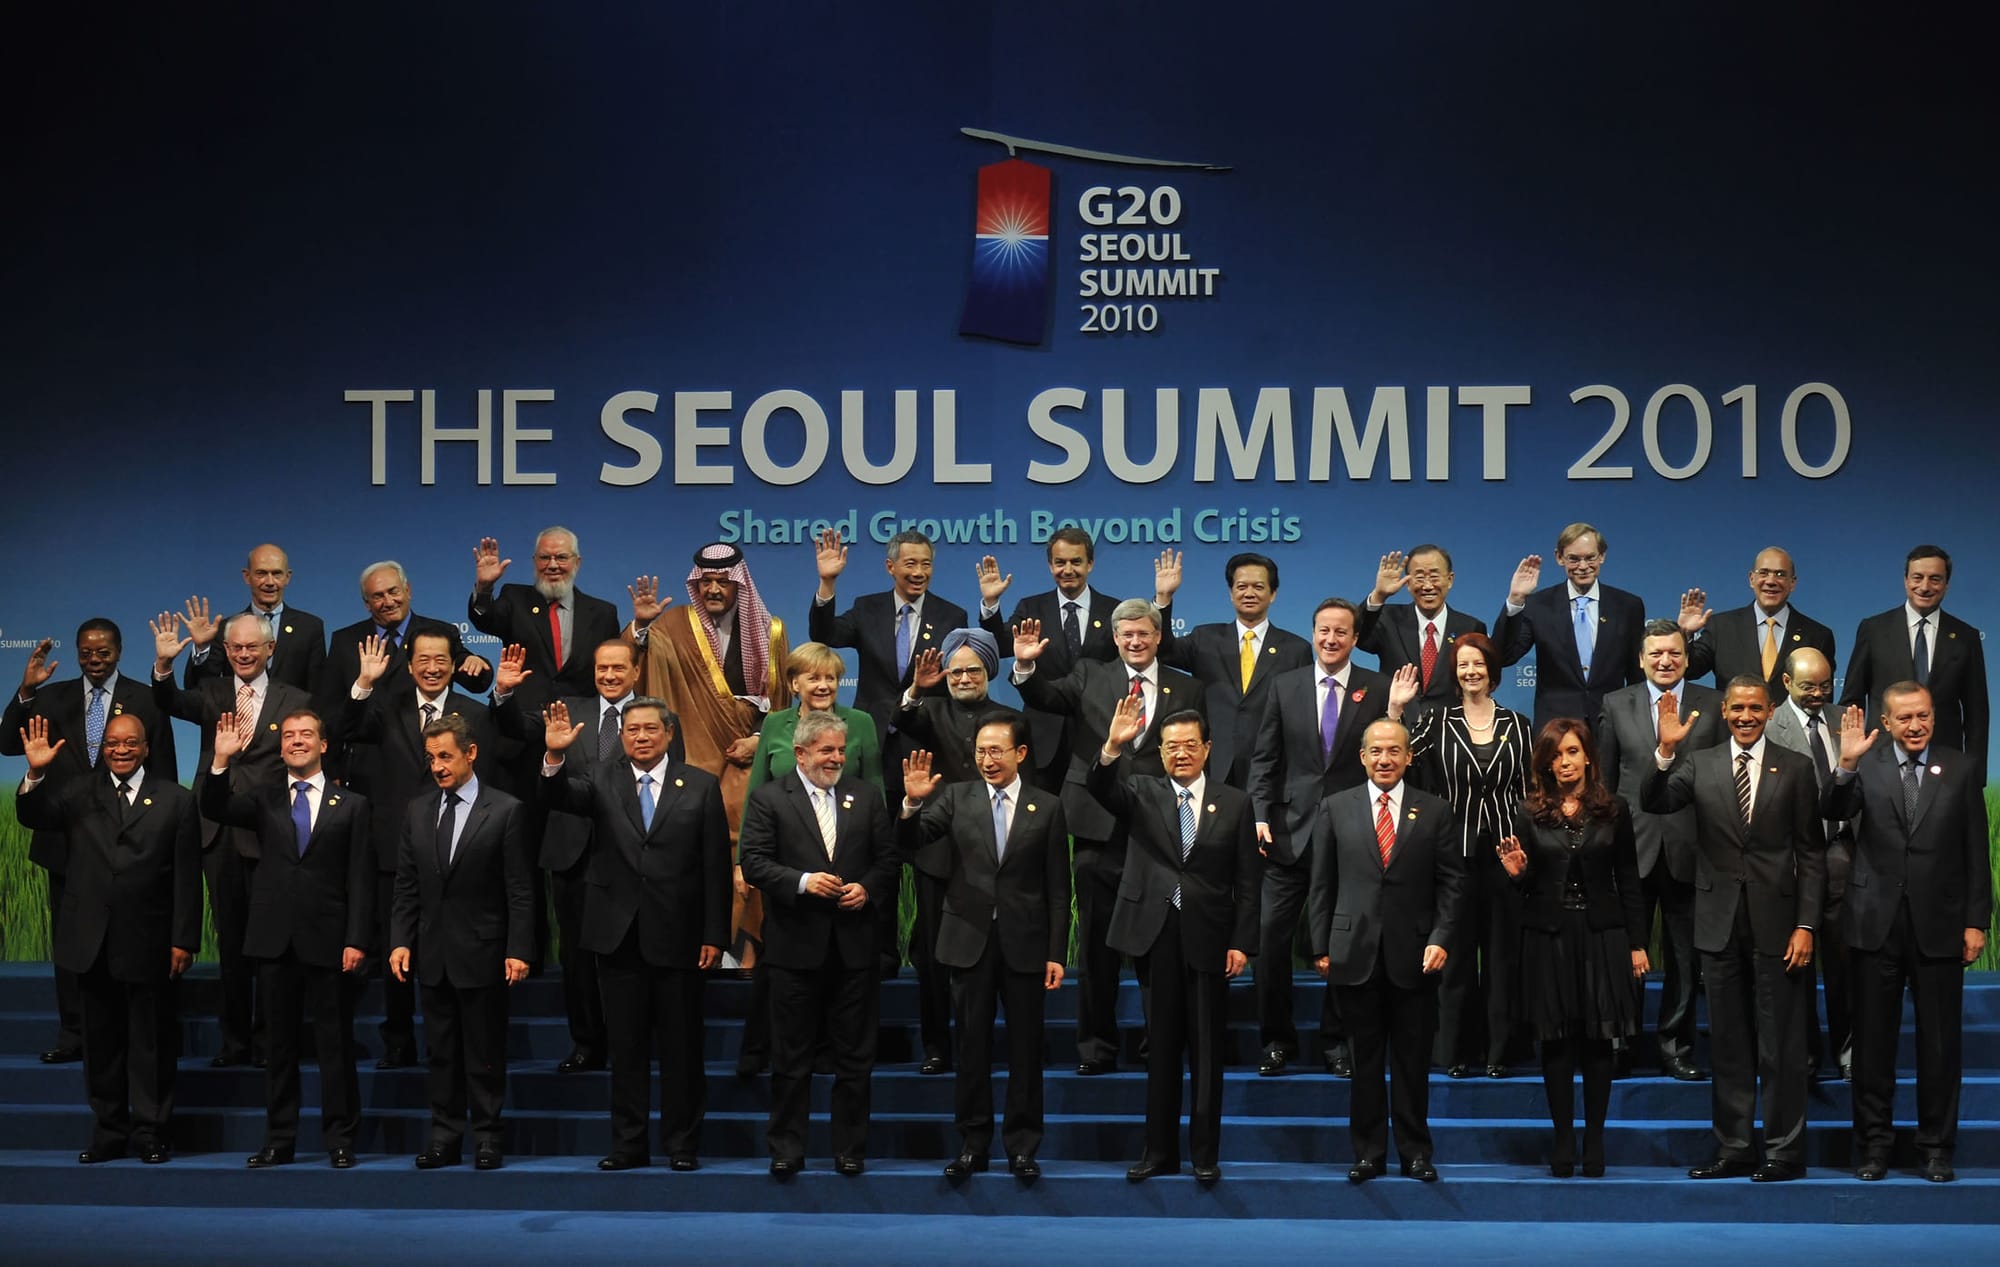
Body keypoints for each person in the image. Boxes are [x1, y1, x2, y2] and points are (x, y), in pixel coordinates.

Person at [1011, 598, 1206, 1074]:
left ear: (1159, 636)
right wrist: (1023, 665)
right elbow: (1045, 699)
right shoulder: (1088, 674)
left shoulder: (1188, 686)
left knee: (1157, 949)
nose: (1135, 642)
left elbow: (1196, 754)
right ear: (1115, 638)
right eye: (1126, 635)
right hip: (1097, 825)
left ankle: (1157, 1047)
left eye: (1144, 634)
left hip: (1158, 832)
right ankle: (1096, 1048)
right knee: (1096, 948)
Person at [1644, 678, 1825, 1182]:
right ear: (1723, 711)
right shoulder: (1698, 764)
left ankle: (1785, 1152)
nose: (1746, 716)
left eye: (1755, 708)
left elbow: (1811, 855)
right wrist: (1665, 749)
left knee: (1781, 1044)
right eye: (1737, 708)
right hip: (1718, 923)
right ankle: (1735, 1148)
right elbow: (1654, 800)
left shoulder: (1796, 767)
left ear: (1770, 711)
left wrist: (1806, 924)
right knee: (1727, 1042)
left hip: (1779, 925)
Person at [540, 696, 731, 1172]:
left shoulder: (701, 786)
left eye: (649, 729)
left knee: (682, 1050)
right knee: (625, 1050)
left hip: (681, 937)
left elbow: (716, 868)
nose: (640, 737)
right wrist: (555, 757)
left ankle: (682, 1145)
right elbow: (559, 798)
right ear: (621, 736)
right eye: (632, 730)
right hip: (617, 936)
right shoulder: (601, 779)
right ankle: (629, 1145)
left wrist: (714, 934)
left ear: (669, 734)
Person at [15, 714, 199, 1165]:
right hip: (90, 939)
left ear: (145, 747)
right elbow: (32, 814)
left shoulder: (176, 800)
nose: (120, 749)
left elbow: (188, 878)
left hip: (150, 939)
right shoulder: (78, 792)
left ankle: (151, 1131)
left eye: (130, 743)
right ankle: (110, 1132)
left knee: (151, 1043)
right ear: (103, 747)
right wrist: (36, 773)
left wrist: (183, 939)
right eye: (113, 743)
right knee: (101, 1044)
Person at [1826, 685, 1992, 1183]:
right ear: (1888, 721)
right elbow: (1831, 808)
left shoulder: (1959, 768)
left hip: (1940, 925)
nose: (1915, 725)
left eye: (1923, 716)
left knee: (1940, 1046)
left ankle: (1937, 1148)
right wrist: (1846, 764)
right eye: (1905, 718)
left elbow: (1975, 849)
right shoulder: (1867, 762)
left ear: (1934, 717)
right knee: (1873, 1046)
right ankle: (1874, 1148)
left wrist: (1976, 920)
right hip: (1874, 923)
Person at [900, 713, 1071, 1183]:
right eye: (980, 751)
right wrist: (912, 806)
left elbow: (1059, 888)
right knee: (970, 1048)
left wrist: (1056, 952)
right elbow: (910, 842)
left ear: (1020, 753)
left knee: (1025, 1051)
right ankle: (973, 1145)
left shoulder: (1048, 806)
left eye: (996, 751)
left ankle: (1022, 1147)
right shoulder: (955, 797)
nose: (986, 759)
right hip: (968, 941)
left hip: (1026, 945)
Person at [1090, 704, 1256, 1185]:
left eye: (1189, 745)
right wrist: (1112, 747)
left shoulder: (1236, 802)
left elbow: (1248, 881)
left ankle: (1204, 1153)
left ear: (1207, 748)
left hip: (1209, 935)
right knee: (1159, 1049)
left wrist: (1242, 942)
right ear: (1159, 752)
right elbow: (1100, 788)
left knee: (1206, 1052)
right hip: (1154, 932)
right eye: (1170, 746)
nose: (1180, 754)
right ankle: (1158, 1152)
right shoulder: (1141, 790)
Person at [201, 707, 373, 1170]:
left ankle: (340, 1139)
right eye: (289, 735)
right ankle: (280, 1140)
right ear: (281, 748)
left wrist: (357, 939)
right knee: (278, 1048)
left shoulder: (352, 805)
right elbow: (214, 807)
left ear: (324, 745)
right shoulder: (263, 799)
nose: (297, 741)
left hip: (331, 941)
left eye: (306, 734)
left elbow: (361, 879)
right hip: (274, 941)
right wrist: (220, 763)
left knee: (335, 1045)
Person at [1, 620, 177, 1064]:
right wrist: (24, 692)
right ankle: (75, 1033)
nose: (94, 661)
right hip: (66, 845)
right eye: (86, 653)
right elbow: (6, 743)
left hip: (131, 843)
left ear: (119, 651)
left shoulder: (145, 698)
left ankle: (130, 1032)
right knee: (72, 945)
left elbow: (165, 769)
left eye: (103, 653)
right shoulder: (51, 696)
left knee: (131, 942)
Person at [738, 710, 900, 1177]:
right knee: (791, 1057)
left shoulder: (866, 797)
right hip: (794, 951)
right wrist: (804, 881)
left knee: (855, 1058)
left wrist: (866, 888)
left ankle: (850, 1149)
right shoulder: (771, 799)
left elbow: (887, 862)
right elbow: (754, 862)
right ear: (801, 753)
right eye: (826, 750)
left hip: (855, 951)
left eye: (840, 750)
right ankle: (787, 1148)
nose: (836, 758)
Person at [153, 608, 313, 1070]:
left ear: (271, 650)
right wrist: (164, 666)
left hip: (270, 830)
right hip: (217, 831)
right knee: (231, 943)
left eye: (251, 647)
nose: (243, 654)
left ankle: (272, 1041)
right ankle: (236, 1041)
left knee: (272, 942)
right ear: (227, 651)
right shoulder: (213, 691)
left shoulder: (295, 698)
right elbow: (170, 703)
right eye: (235, 647)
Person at [1308, 718, 1465, 1184]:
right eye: (1376, 751)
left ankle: (1415, 1152)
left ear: (1408, 756)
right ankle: (1368, 1153)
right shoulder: (1336, 807)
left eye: (1394, 751)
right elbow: (1321, 884)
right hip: (1353, 954)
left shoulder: (1434, 811)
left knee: (1413, 1062)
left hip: (1416, 956)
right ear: (1362, 756)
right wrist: (1321, 945)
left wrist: (1440, 938)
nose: (1384, 759)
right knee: (1365, 1063)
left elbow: (1453, 885)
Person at [343, 629, 508, 1070]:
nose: (432, 667)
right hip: (395, 851)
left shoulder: (476, 713)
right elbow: (347, 728)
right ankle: (398, 1040)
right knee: (397, 949)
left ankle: (457, 1043)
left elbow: (489, 775)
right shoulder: (384, 705)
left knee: (453, 951)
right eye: (423, 660)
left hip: (460, 857)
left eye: (441, 659)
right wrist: (363, 684)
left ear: (454, 664)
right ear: (410, 665)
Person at [809, 526, 970, 980]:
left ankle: (927, 954)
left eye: (926, 564)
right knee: (876, 855)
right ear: (891, 566)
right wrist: (827, 584)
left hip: (927, 752)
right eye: (910, 564)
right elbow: (824, 633)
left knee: (928, 860)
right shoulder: (866, 609)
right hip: (874, 750)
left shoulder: (951, 613)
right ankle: (878, 956)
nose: (919, 572)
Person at [1496, 719, 1649, 1177]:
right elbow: (1523, 893)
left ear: (1588, 757)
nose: (1564, 762)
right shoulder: (1529, 812)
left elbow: (1630, 882)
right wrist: (1519, 874)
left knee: (1599, 1042)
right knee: (1557, 1043)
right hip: (1549, 937)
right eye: (1555, 755)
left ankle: (1594, 1142)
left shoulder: (1614, 810)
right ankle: (1564, 1140)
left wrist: (1638, 944)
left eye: (1571, 752)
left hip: (1603, 935)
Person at [1246, 597, 1389, 1077]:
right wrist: (1260, 813)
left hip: (1350, 836)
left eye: (1341, 632)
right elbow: (1265, 759)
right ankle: (1276, 1040)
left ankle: (1336, 1042)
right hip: (1286, 835)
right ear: (1312, 633)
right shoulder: (1284, 686)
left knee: (1341, 945)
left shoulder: (1376, 687)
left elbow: (1386, 758)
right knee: (1269, 940)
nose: (1331, 640)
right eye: (1323, 631)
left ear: (1354, 639)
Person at [492, 639, 647, 1075]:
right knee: (577, 961)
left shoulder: (653, 717)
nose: (610, 676)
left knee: (628, 960)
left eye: (619, 668)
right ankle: (586, 1044)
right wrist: (503, 694)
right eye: (602, 668)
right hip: (570, 853)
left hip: (629, 858)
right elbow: (517, 728)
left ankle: (631, 1045)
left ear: (636, 672)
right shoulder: (568, 709)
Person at [389, 713, 534, 1171]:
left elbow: (520, 889)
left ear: (471, 754)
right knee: (442, 1052)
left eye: (445, 756)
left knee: (484, 1052)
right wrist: (400, 940)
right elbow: (406, 885)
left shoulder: (506, 809)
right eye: (431, 758)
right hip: (432, 954)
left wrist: (519, 948)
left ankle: (488, 1138)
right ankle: (445, 1138)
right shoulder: (418, 809)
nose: (437, 766)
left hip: (485, 952)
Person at [1385, 631, 1532, 1079]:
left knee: (1504, 957)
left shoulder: (1518, 725)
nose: (1471, 671)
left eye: (1478, 664)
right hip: (1454, 854)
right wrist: (1395, 709)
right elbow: (1401, 760)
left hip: (1507, 856)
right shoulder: (1436, 721)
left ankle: (1500, 1050)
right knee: (1457, 956)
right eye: (1463, 665)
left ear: (1493, 671)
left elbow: (1527, 793)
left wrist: (1527, 853)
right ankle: (1456, 1050)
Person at [736, 642, 884, 1076]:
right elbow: (756, 792)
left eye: (831, 678)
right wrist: (746, 861)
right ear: (793, 683)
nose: (823, 685)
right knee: (781, 960)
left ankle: (827, 1052)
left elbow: (874, 786)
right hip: (785, 866)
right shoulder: (775, 725)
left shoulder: (860, 723)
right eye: (813, 677)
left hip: (848, 860)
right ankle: (758, 1051)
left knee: (838, 966)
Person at [894, 628, 1028, 1075]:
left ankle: (999, 1044)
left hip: (996, 855)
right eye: (956, 670)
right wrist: (917, 686)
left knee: (996, 959)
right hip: (940, 852)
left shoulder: (1009, 717)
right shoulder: (929, 711)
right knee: (933, 956)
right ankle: (936, 1046)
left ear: (990, 670)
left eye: (974, 669)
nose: (964, 677)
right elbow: (904, 716)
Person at [1596, 620, 1725, 1081]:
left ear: (1687, 658)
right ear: (1641, 659)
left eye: (1674, 653)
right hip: (1630, 848)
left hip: (1694, 848)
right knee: (1623, 954)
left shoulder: (1712, 705)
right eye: (1656, 654)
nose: (1665, 661)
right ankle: (1621, 1042)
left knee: (1685, 960)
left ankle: (1676, 1046)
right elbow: (1606, 785)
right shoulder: (1616, 703)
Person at [627, 542, 791, 844]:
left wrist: (757, 740)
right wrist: (642, 627)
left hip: (744, 758)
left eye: (723, 582)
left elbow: (780, 703)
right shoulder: (673, 624)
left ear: (739, 584)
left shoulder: (771, 631)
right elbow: (635, 663)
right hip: (691, 756)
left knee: (741, 841)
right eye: (705, 582)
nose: (712, 590)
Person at [1762, 647, 1853, 1080]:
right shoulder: (1770, 726)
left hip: (1840, 855)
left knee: (1843, 960)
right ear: (1785, 683)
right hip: (1790, 860)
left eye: (1825, 685)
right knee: (1793, 963)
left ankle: (1848, 1048)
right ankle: (1806, 1053)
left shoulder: (1847, 718)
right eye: (1807, 686)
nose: (1818, 694)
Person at [1151, 549, 1313, 787]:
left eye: (1258, 587)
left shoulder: (1296, 649)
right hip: (1213, 766)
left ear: (1273, 594)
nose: (1249, 593)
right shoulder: (1204, 638)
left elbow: (1303, 715)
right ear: (1230, 593)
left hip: (1270, 771)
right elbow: (1163, 650)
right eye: (1241, 586)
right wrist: (1163, 599)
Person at [974, 527, 1120, 790]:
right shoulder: (1032, 607)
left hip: (1097, 732)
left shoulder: (1113, 610)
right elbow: (1001, 644)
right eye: (1060, 562)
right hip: (1043, 738)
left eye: (1076, 562)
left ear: (1091, 564)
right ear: (1050, 565)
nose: (1068, 569)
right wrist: (991, 604)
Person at [318, 560, 493, 772]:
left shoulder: (439, 631)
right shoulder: (345, 641)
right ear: (367, 603)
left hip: (430, 760)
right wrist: (332, 768)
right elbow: (330, 711)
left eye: (393, 592)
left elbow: (475, 681)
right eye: (378, 596)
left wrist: (477, 665)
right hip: (370, 765)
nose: (388, 601)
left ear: (407, 590)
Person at [1838, 545, 1987, 770]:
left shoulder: (1966, 637)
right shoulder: (1874, 629)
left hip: (1945, 763)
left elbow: (1977, 714)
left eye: (1935, 579)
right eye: (1917, 577)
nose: (1925, 587)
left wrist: (1975, 775)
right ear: (1906, 580)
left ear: (1946, 585)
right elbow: (1852, 700)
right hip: (1881, 761)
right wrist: (1852, 758)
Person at [1492, 522, 1648, 730]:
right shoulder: (1538, 605)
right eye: (1573, 559)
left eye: (1590, 557)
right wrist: (1516, 600)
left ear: (1602, 556)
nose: (1582, 566)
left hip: (1611, 725)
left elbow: (1637, 674)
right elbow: (1503, 656)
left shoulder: (1628, 606)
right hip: (1556, 728)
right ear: (1559, 558)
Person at [469, 527, 621, 706]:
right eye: (545, 557)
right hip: (520, 720)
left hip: (581, 722)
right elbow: (484, 620)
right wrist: (484, 588)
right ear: (535, 561)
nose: (553, 565)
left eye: (562, 557)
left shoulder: (603, 613)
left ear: (577, 562)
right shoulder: (514, 598)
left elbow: (615, 665)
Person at [1680, 547, 1836, 701]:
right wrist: (1685, 634)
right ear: (1751, 579)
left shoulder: (1818, 636)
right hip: (1733, 725)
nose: (1771, 581)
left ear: (1792, 583)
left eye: (1780, 574)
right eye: (1763, 573)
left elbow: (1823, 699)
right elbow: (1690, 671)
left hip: (1792, 727)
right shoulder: (1721, 626)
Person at [1358, 545, 1489, 708]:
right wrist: (1379, 595)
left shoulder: (1471, 627)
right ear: (1407, 582)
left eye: (1434, 577)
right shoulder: (1388, 618)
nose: (1427, 586)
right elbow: (1359, 637)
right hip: (1397, 725)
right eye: (1419, 578)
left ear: (1450, 580)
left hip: (1449, 727)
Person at [184, 544, 326, 693]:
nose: (270, 582)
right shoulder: (226, 629)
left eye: (277, 574)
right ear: (247, 576)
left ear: (287, 577)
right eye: (261, 573)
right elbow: (199, 688)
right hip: (241, 715)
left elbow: (319, 691)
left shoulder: (310, 627)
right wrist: (201, 648)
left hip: (293, 715)